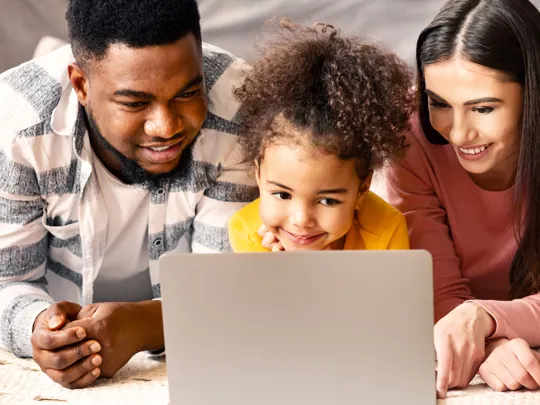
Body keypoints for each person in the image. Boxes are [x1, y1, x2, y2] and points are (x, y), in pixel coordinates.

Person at [0, 0, 256, 389]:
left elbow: (228, 291)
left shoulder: (240, 107)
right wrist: (42, 328)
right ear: (81, 85)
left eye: (187, 94)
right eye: (135, 103)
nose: (165, 127)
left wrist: (143, 325)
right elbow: (7, 281)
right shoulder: (18, 124)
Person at [385, 0, 540, 397]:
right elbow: (435, 288)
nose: (458, 134)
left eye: (483, 108)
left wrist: (486, 318)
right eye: (439, 104)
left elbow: (469, 318)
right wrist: (491, 342)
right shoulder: (410, 134)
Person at [228, 20, 413, 253]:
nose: (301, 220)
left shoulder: (386, 230)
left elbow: (393, 291)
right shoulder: (246, 231)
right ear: (258, 175)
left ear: (362, 190)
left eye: (328, 201)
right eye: (282, 194)